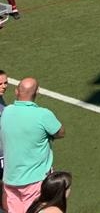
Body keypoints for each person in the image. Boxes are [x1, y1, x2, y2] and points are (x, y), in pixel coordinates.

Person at [0, 77, 64, 213]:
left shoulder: (7, 112)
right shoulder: (43, 115)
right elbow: (60, 132)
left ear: (16, 91)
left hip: (10, 179)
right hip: (34, 180)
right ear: (37, 92)